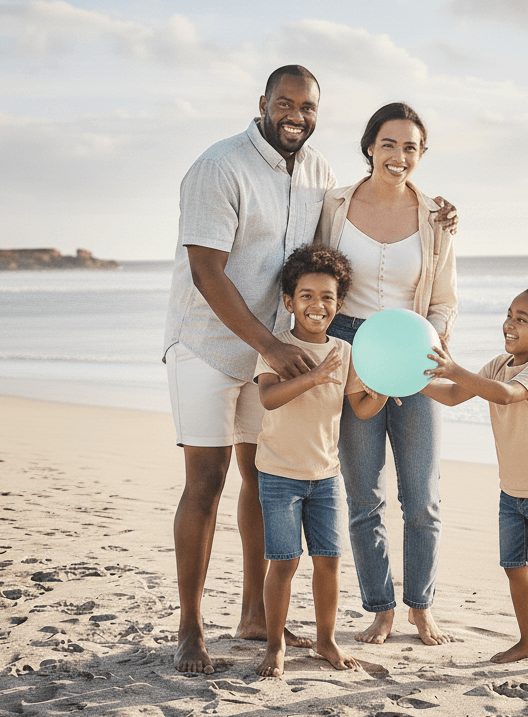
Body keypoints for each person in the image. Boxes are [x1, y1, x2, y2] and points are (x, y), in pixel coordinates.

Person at [163, 67, 457, 674]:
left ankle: (252, 616)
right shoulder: (219, 166)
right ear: (263, 104)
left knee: (259, 475)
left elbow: (331, 260)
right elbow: (206, 272)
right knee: (205, 480)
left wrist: (439, 217)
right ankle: (190, 628)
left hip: (279, 350)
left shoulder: (321, 174)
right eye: (285, 103)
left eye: (308, 105)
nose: (296, 114)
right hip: (210, 346)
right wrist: (273, 347)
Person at [315, 102, 457, 646]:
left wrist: (429, 347)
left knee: (421, 496)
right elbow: (311, 272)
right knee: (363, 494)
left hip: (413, 352)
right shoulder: (332, 206)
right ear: (370, 145)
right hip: (349, 349)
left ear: (420, 155)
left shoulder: (436, 219)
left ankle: (421, 606)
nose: (400, 156)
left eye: (412, 148)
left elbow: (444, 300)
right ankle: (381, 608)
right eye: (390, 144)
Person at [422, 287, 528, 677]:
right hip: (512, 489)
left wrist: (455, 368)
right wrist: (407, 381)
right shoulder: (499, 362)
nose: (509, 323)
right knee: (514, 566)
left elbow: (507, 395)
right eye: (509, 313)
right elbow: (452, 395)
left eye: (522, 319)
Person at [253, 243, 388, 677]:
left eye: (328, 297)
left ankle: (326, 641)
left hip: (326, 476)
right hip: (279, 475)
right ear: (290, 302)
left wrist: (385, 388)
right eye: (307, 296)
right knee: (285, 561)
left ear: (340, 304)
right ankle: (275, 644)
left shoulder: (344, 352)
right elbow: (269, 398)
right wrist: (311, 376)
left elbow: (361, 408)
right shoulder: (276, 348)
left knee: (328, 559)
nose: (318, 304)